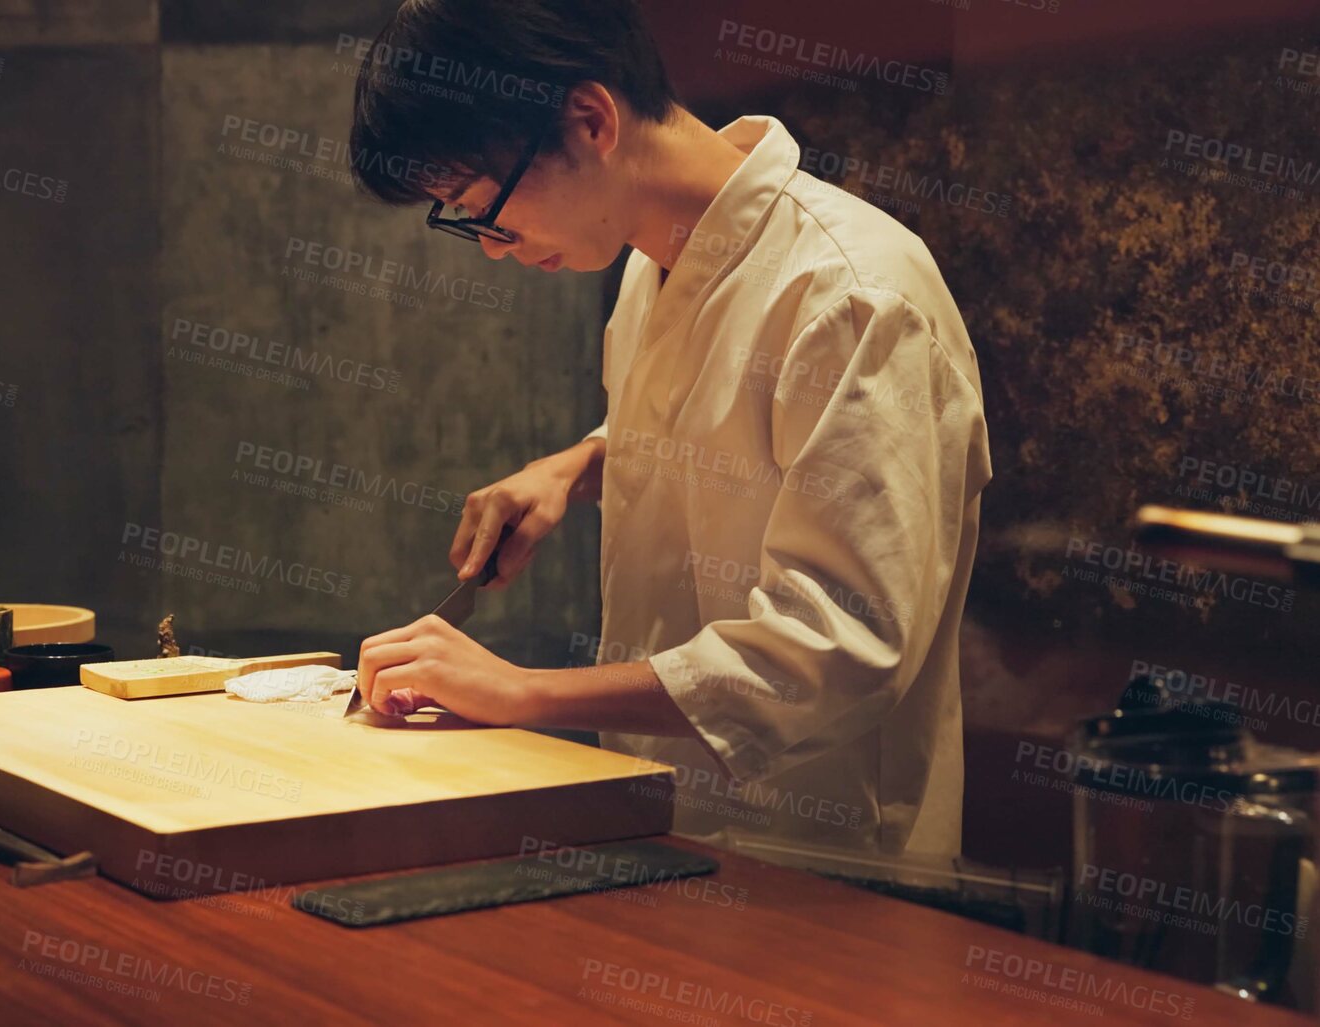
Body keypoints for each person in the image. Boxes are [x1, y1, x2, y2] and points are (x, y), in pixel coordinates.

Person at [347, 0, 992, 859]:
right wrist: (581, 462)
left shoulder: (853, 293)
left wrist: (522, 692)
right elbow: (736, 424)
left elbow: (835, 648)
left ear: (589, 119)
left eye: (480, 206)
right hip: (670, 828)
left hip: (823, 867)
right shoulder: (656, 262)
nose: (490, 247)